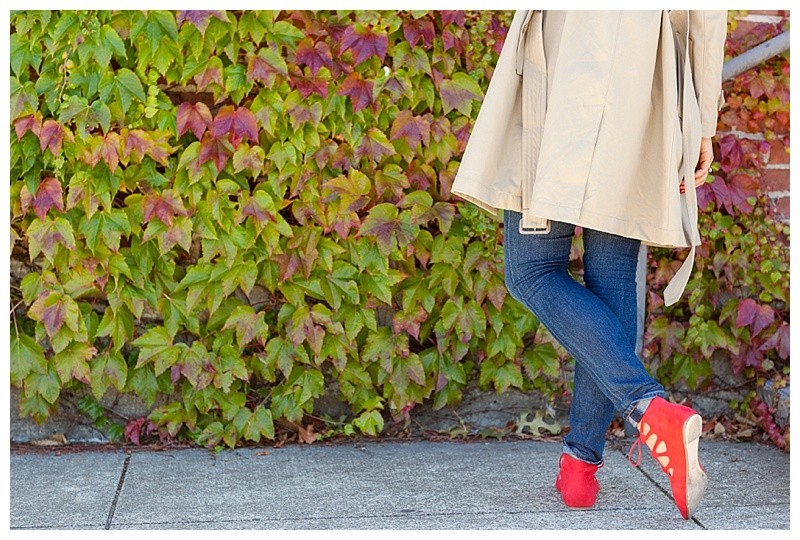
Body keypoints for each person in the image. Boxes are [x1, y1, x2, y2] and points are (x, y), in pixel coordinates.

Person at [450, 10, 727, 520]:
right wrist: (702, 122)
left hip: (560, 69)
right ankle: (581, 466)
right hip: (643, 82)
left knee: (531, 271)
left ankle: (647, 411)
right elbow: (707, 17)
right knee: (614, 276)